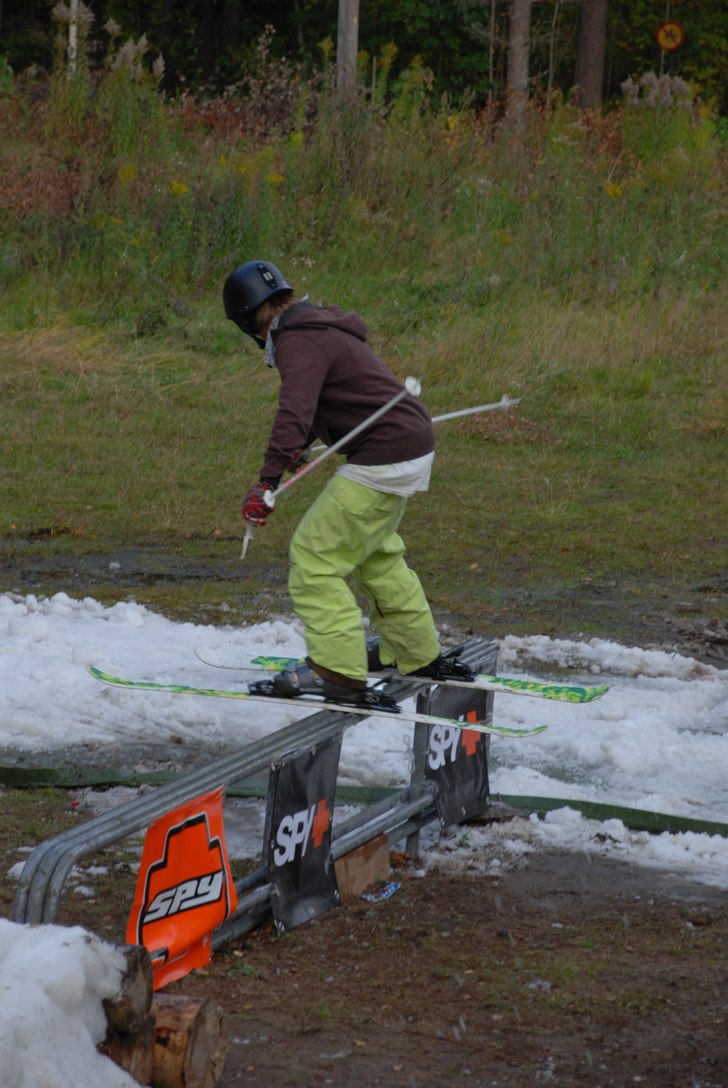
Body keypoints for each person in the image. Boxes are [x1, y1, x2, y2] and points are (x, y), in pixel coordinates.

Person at [223, 259, 474, 709]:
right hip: (407, 445)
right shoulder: (319, 327)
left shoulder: (296, 341)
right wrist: (299, 445)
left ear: (247, 320)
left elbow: (294, 410)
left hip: (384, 454)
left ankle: (336, 672)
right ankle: (416, 653)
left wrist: (266, 481)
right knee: (376, 553)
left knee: (314, 555)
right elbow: (331, 399)